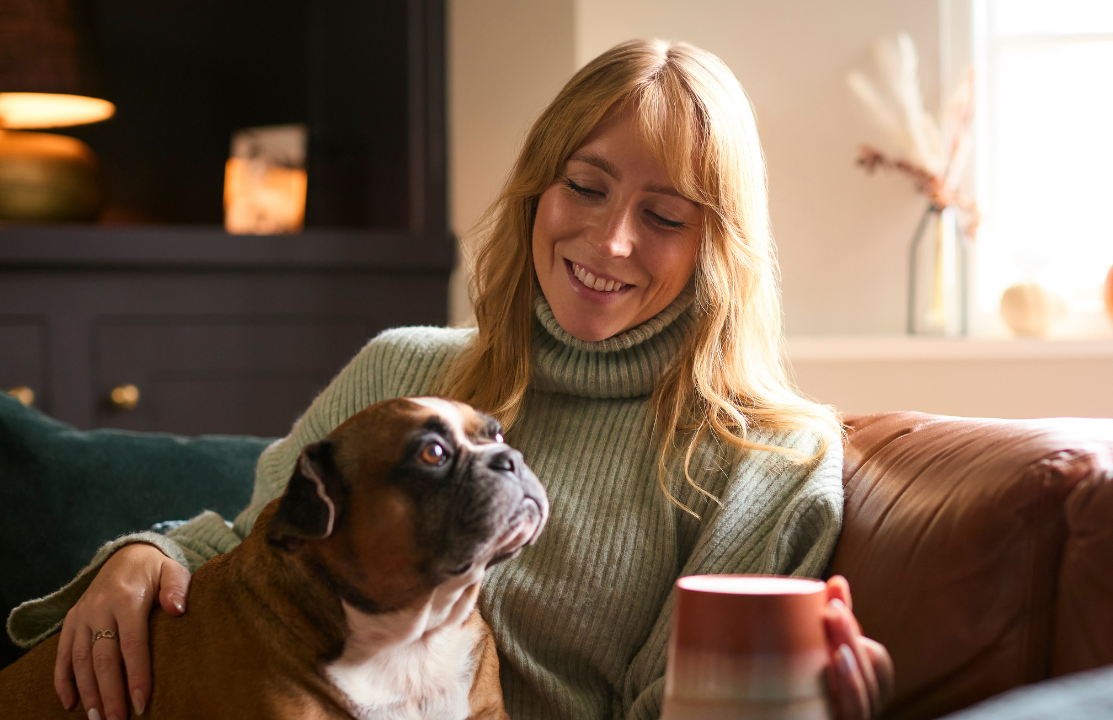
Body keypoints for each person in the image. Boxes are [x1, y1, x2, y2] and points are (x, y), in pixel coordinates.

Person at [9, 39, 893, 720]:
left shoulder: (767, 457)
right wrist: (147, 552)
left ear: (720, 249)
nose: (610, 240)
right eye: (584, 187)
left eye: (663, 215)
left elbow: (688, 704)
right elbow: (261, 546)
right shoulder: (410, 369)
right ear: (536, 191)